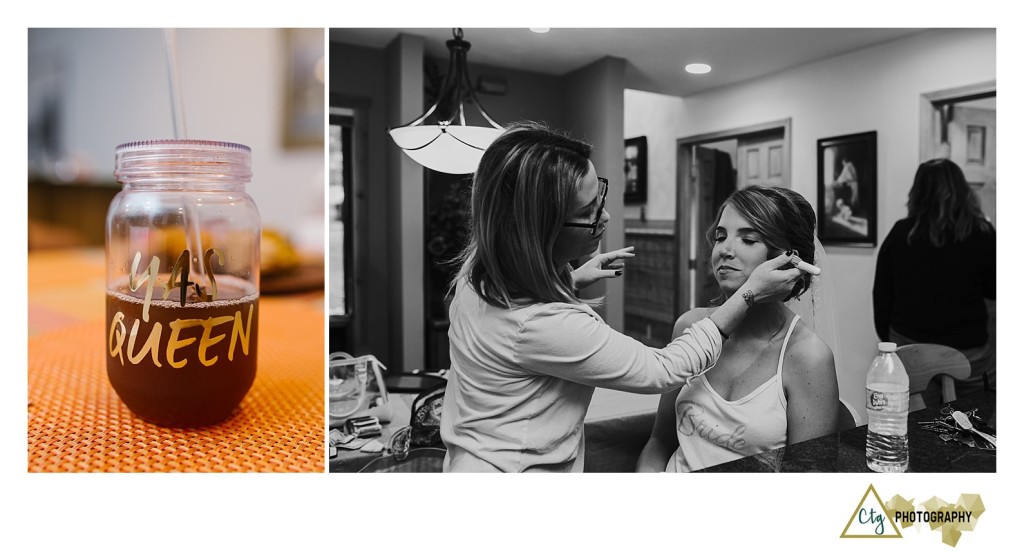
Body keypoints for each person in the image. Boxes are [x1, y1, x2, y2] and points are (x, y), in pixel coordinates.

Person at [439, 122, 804, 472]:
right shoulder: (546, 325)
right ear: (539, 232)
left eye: (599, 196)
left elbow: (520, 306)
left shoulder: (477, 277)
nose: (606, 216)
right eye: (587, 212)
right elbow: (662, 370)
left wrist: (572, 277)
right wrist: (748, 294)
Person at [637, 185, 839, 472]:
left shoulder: (808, 357)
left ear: (786, 258)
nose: (725, 250)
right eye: (721, 236)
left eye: (747, 239)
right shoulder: (691, 327)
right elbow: (659, 440)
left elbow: (809, 478)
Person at [873, 158, 996, 402]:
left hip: (912, 348)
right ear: (962, 190)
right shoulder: (982, 233)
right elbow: (994, 292)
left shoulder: (901, 233)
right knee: (976, 421)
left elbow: (882, 295)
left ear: (917, 192)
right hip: (969, 350)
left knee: (921, 427)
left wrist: (892, 342)